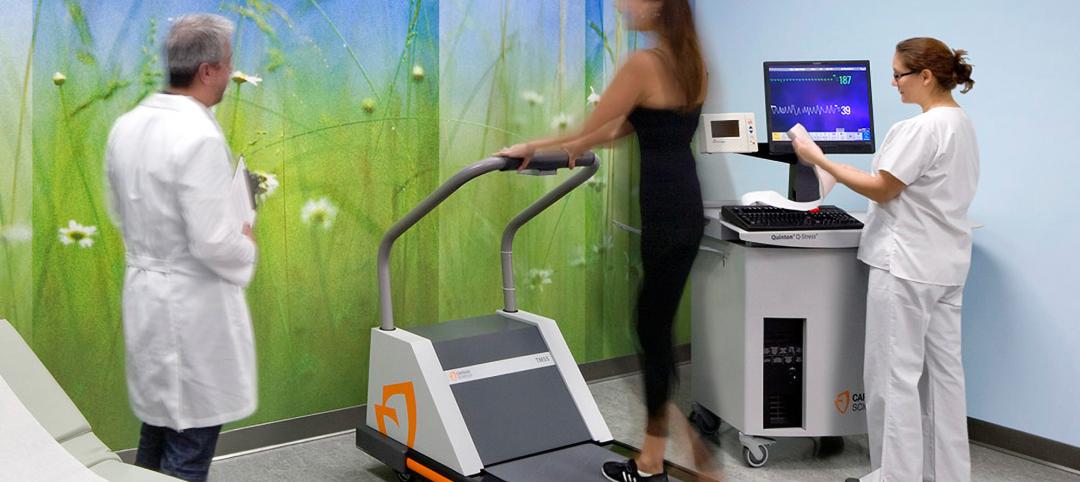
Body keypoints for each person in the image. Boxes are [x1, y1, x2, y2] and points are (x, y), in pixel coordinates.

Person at [499, 1, 719, 480]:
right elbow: (628, 127)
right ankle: (669, 450)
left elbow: (591, 125)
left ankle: (656, 459)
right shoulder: (692, 64)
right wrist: (580, 148)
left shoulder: (644, 64)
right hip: (686, 205)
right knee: (654, 327)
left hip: (663, 211)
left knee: (649, 328)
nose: (623, 5)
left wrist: (531, 148)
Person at [792, 37, 978, 482]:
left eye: (898, 74)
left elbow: (882, 187)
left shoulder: (922, 129)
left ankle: (896, 476)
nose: (893, 82)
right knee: (943, 382)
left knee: (893, 379)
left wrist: (819, 160)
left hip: (907, 267)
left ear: (926, 76)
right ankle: (946, 476)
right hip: (945, 267)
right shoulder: (960, 123)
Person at [105, 14, 258, 482]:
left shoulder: (128, 125)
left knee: (157, 429)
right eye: (229, 64)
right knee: (189, 447)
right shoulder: (198, 135)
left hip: (146, 295)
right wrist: (245, 240)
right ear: (207, 70)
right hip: (192, 308)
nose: (233, 74)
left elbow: (118, 210)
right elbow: (213, 239)